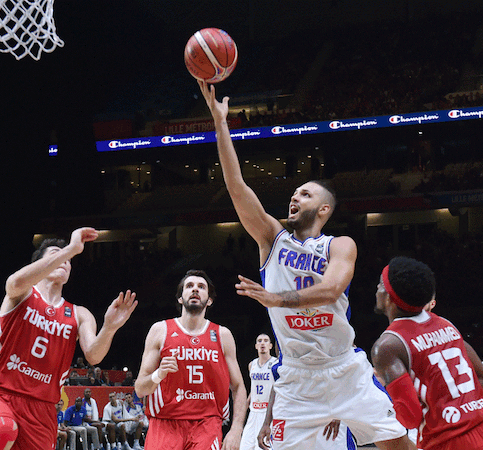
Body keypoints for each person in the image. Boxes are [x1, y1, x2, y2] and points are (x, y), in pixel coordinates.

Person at [201, 80, 410, 450]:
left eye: (306, 193)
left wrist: (277, 299)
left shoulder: (340, 245)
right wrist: (220, 124)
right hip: (296, 378)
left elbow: (331, 290)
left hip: (345, 368)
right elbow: (236, 186)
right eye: (295, 192)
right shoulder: (272, 238)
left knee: (397, 444)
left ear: (324, 209)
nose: (295, 196)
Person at [0, 228, 138, 450]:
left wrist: (109, 327)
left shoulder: (79, 313)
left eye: (69, 260)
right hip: (1, 394)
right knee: (4, 430)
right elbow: (14, 282)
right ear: (40, 265)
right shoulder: (23, 293)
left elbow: (94, 355)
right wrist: (71, 249)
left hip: (43, 409)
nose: (66, 260)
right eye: (57, 255)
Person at [371, 256, 483, 450]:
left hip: (448, 442)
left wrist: (381, 388)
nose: (377, 289)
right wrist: (463, 409)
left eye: (380, 284)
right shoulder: (446, 325)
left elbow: (410, 418)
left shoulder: (387, 346)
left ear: (388, 297)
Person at [135, 269, 247, 450]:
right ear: (180, 298)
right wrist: (159, 374)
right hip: (165, 423)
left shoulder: (222, 335)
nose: (195, 289)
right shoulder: (160, 330)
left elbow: (239, 386)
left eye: (201, 287)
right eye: (189, 286)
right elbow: (140, 389)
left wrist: (236, 429)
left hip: (207, 423)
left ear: (209, 300)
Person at [240, 333, 275, 450]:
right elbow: (253, 389)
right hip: (253, 412)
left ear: (270, 346)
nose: (262, 343)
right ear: (256, 346)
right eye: (259, 341)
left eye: (266, 341)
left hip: (268, 414)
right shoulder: (252, 365)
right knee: (244, 446)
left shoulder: (275, 364)